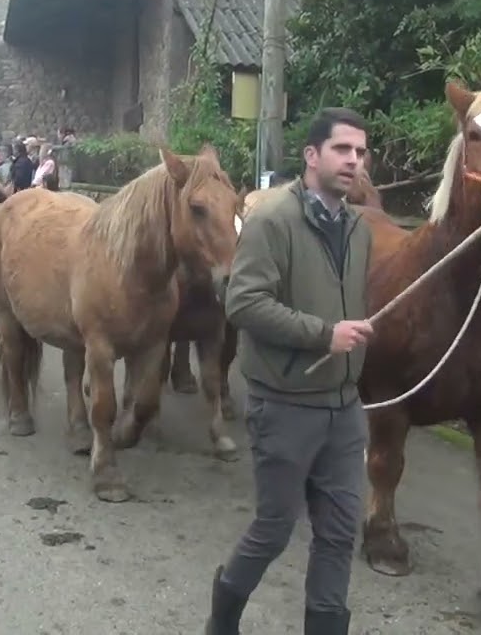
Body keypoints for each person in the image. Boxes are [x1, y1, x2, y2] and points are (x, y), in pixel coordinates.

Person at [206, 107, 376, 635]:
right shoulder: (273, 219)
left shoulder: (357, 228)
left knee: (339, 533)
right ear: (312, 155)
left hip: (345, 410)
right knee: (275, 527)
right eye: (342, 150)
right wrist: (325, 335)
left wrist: (355, 344)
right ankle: (222, 618)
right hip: (284, 404)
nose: (354, 161)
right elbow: (244, 303)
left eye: (361, 152)